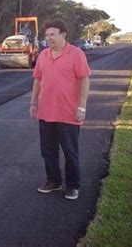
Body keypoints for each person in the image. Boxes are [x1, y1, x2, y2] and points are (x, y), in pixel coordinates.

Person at [29, 19, 90, 200]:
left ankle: (73, 186)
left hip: (68, 113)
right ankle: (54, 181)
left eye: (52, 35)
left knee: (70, 151)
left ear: (63, 35)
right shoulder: (43, 55)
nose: (48, 38)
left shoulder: (76, 54)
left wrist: (82, 107)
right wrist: (33, 103)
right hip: (46, 112)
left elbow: (85, 80)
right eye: (46, 35)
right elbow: (37, 80)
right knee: (48, 151)